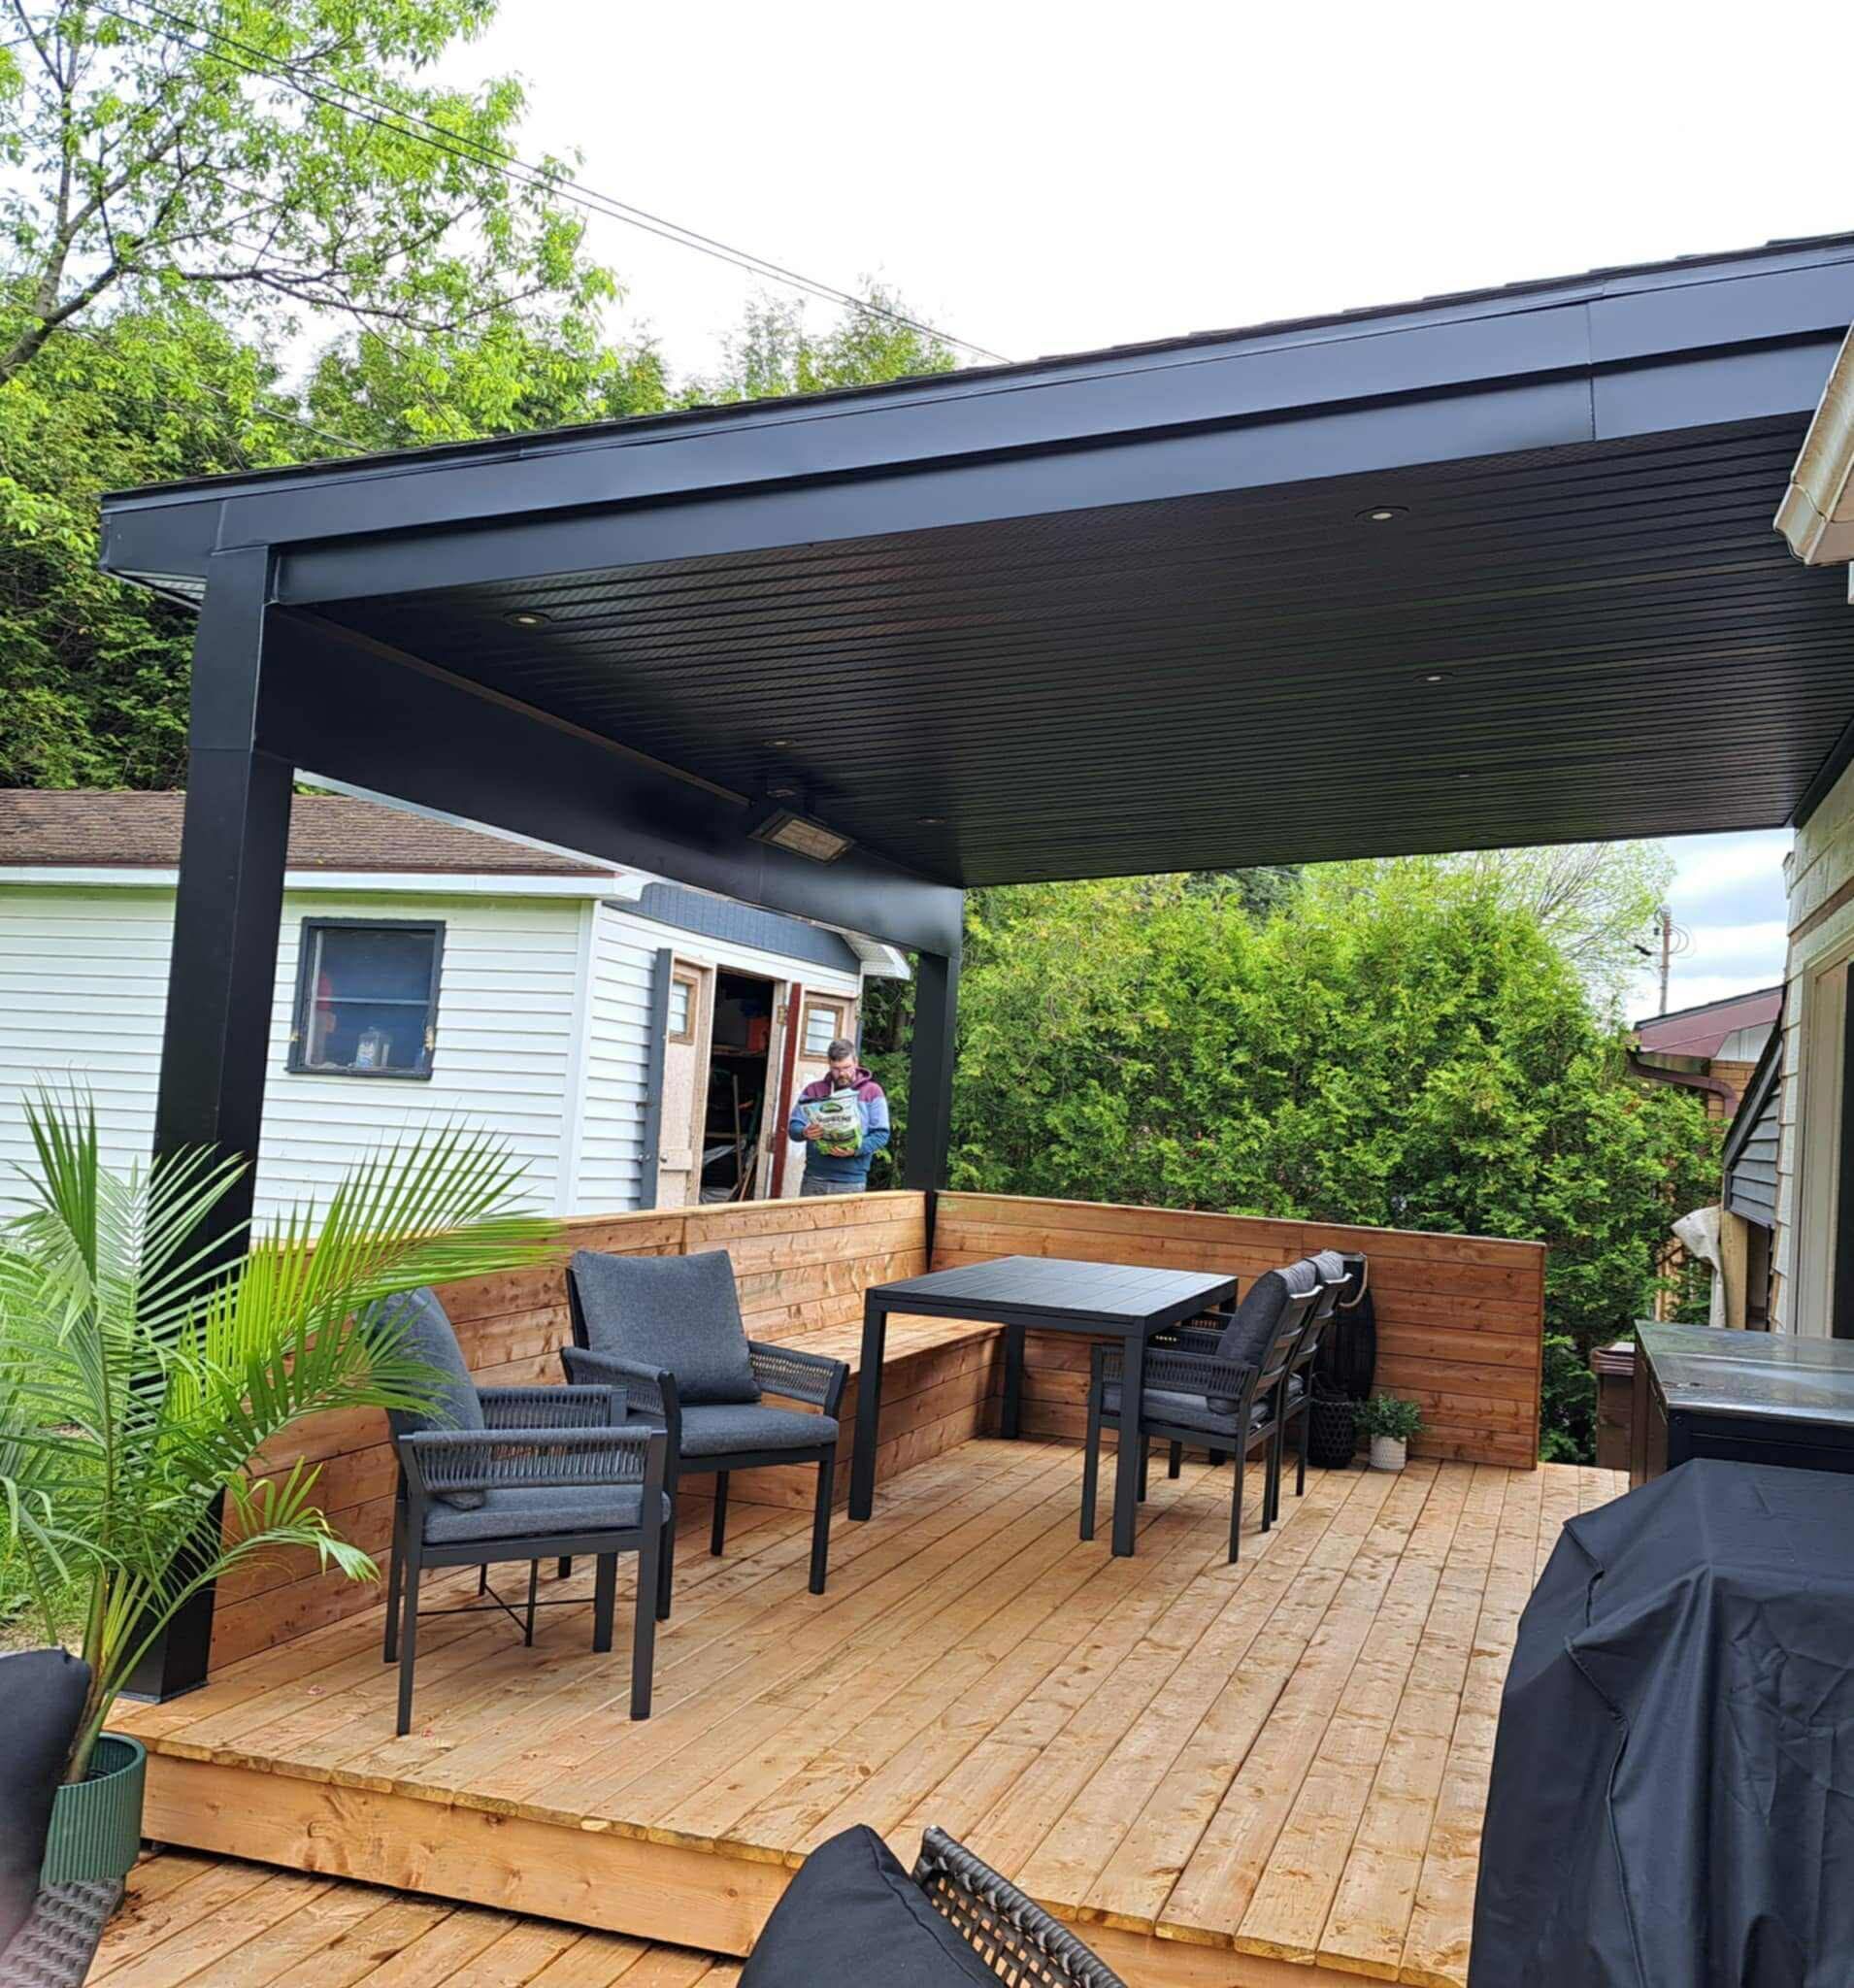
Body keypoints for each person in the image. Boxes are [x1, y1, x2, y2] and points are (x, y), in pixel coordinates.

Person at [789, 1039, 890, 1196]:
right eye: (836, 1069)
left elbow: (881, 1134)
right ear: (829, 1064)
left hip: (852, 1181)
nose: (842, 1073)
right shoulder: (813, 1090)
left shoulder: (872, 1091)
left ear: (856, 1062)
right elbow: (793, 1127)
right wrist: (804, 1132)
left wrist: (856, 1150)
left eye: (846, 1067)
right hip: (814, 1178)